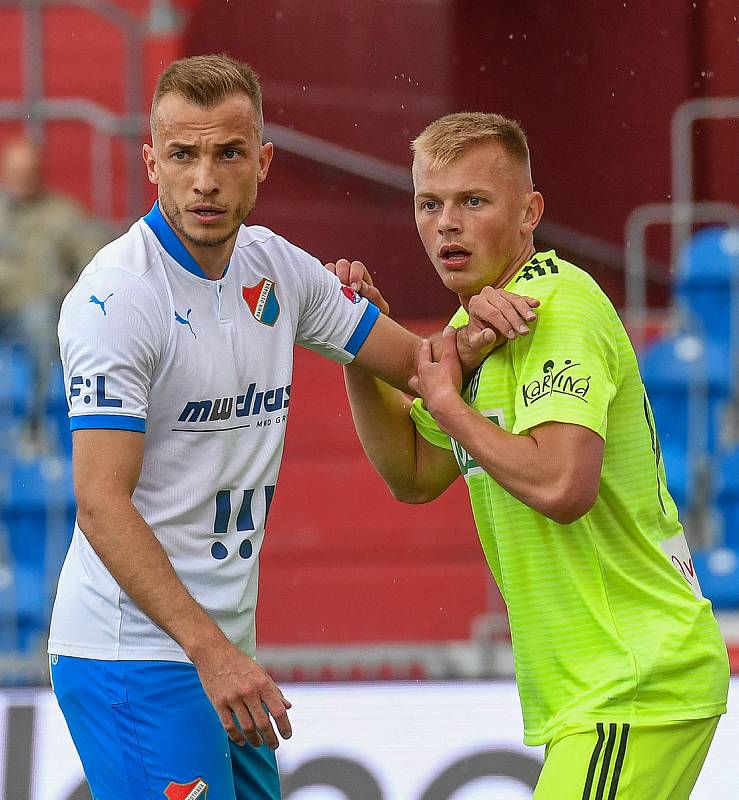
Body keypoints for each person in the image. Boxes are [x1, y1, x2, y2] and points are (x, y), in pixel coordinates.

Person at [46, 56, 533, 800]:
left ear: (262, 161)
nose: (204, 178)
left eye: (228, 153)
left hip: (221, 652)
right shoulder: (115, 300)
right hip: (135, 656)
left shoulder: (280, 269)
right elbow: (100, 503)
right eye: (182, 154)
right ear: (151, 162)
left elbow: (416, 368)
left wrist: (477, 331)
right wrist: (214, 654)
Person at [337, 112, 730, 799]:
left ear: (529, 213)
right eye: (430, 203)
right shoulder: (473, 326)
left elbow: (560, 485)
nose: (446, 224)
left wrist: (448, 403)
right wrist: (356, 352)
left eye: (473, 201)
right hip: (599, 690)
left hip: (630, 679)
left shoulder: (555, 308)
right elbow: (414, 473)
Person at [0, 138, 109, 444]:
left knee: (39, 320)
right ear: (5, 173)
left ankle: (35, 423)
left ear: (39, 173)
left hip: (37, 308)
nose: (22, 180)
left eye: (29, 173)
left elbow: (95, 261)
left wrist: (74, 287)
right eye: (16, 173)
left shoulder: (64, 215)